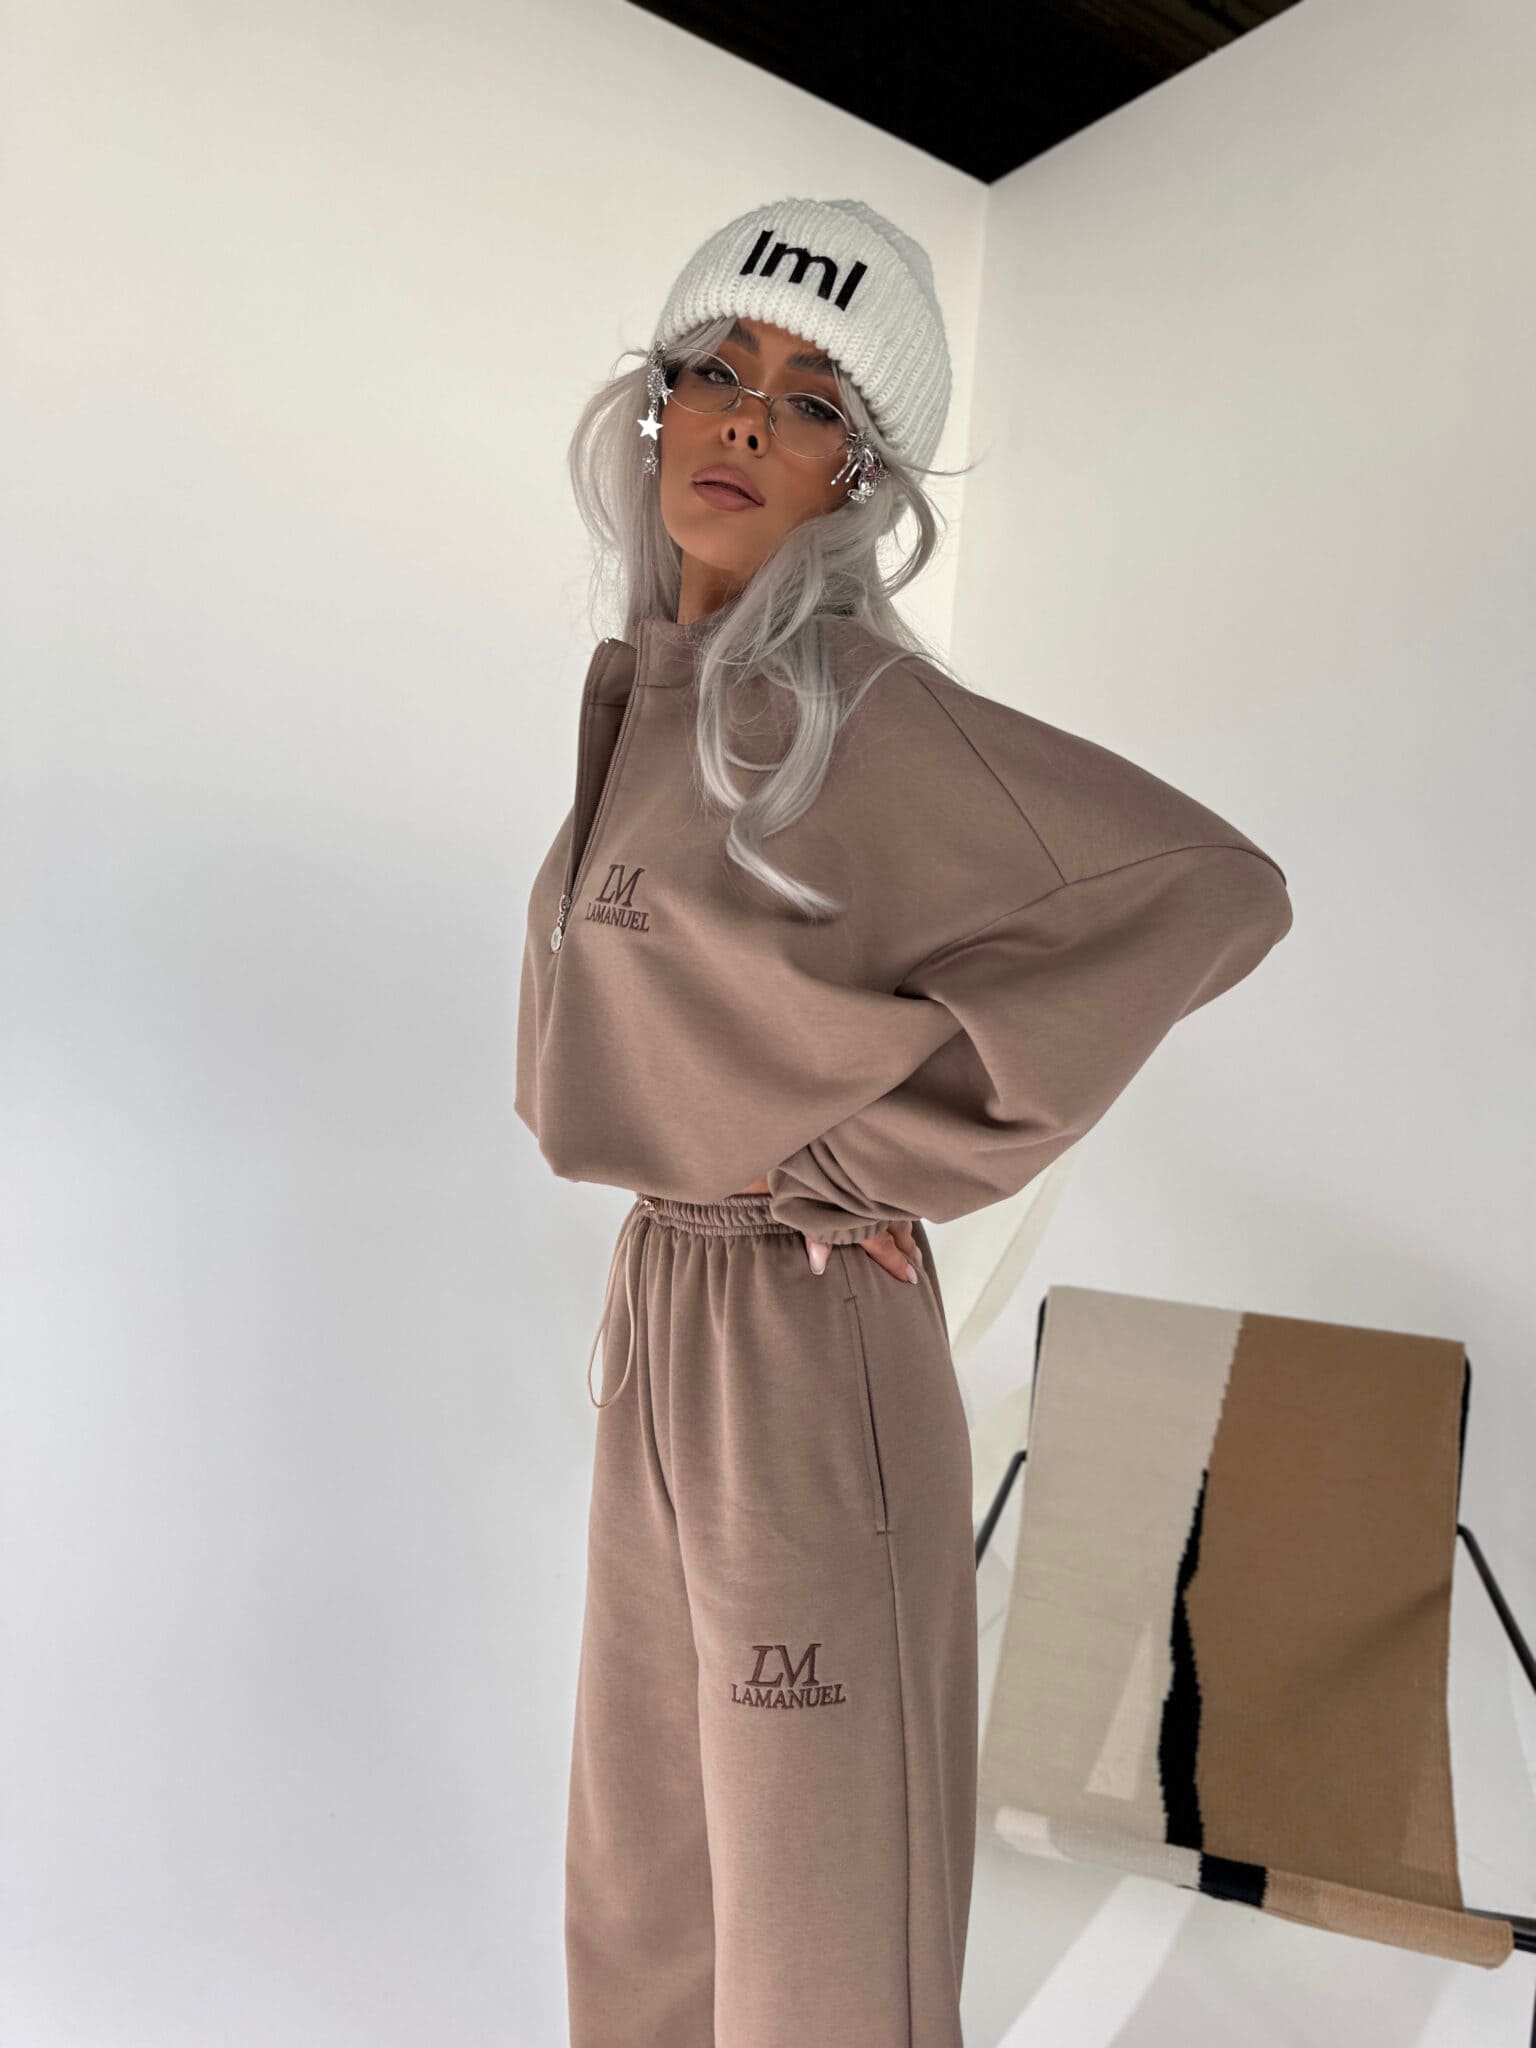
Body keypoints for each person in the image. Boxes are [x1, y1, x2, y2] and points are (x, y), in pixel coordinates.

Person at [515, 195, 1294, 2047]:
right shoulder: (658, 692)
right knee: (651, 1874)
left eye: (809, 403)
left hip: (804, 1328)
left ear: (857, 478)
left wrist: (860, 1157)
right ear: (657, 401)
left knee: (818, 1902)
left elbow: (1213, 892)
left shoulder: (859, 708)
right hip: (664, 1310)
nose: (743, 418)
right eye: (717, 369)